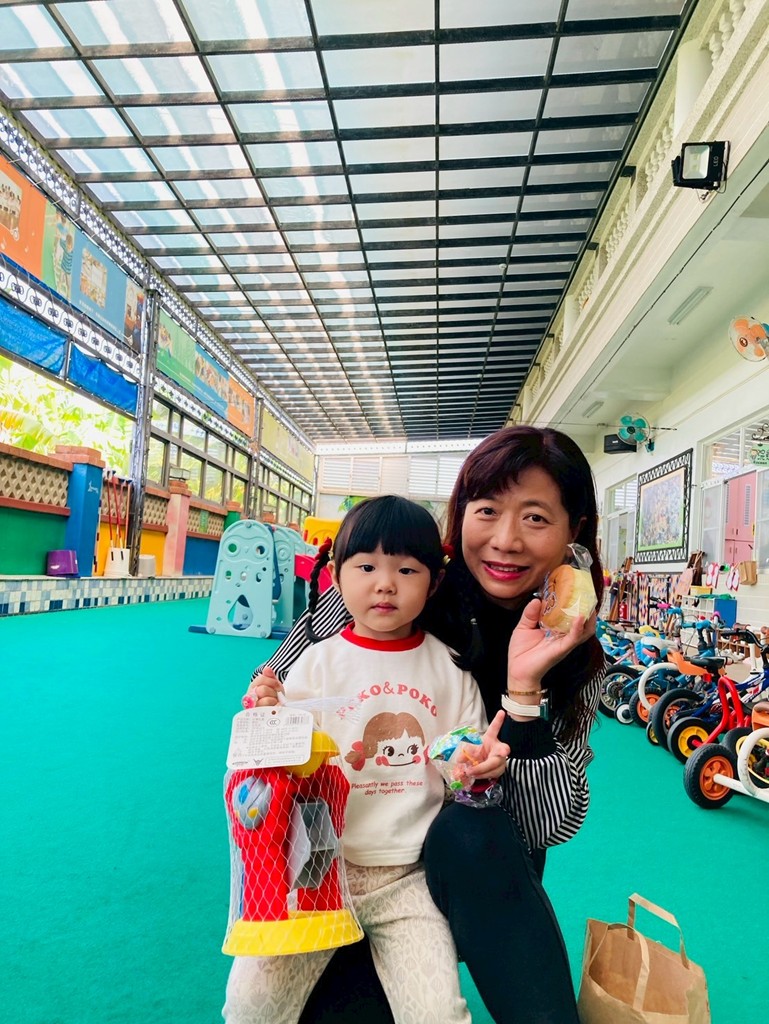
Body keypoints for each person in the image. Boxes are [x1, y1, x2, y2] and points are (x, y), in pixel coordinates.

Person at [246, 426, 605, 1024]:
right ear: (460, 515)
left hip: (465, 871)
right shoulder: (395, 584)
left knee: (468, 829)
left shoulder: (577, 654)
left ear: (575, 531)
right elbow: (274, 688)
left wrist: (523, 695)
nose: (506, 539)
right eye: (487, 511)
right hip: (343, 854)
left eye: (536, 518)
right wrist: (267, 702)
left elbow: (549, 824)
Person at [224, 495, 511, 1024]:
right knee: (249, 1007)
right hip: (315, 871)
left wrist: (476, 766)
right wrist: (268, 711)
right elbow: (279, 765)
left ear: (434, 582)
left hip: (409, 878)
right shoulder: (314, 663)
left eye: (406, 570)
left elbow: (461, 771)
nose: (385, 584)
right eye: (366, 567)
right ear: (336, 575)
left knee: (438, 1014)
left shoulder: (450, 671)